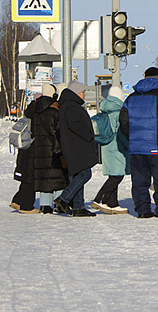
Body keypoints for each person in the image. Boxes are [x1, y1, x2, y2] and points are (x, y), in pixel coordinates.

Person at [120, 67, 158, 219]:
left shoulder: (131, 98)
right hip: (157, 146)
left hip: (136, 148)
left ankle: (143, 210)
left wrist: (132, 137)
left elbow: (123, 122)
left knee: (139, 180)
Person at [54, 81, 97, 217]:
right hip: (77, 147)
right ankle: (63, 199)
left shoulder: (68, 105)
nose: (84, 95)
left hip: (74, 146)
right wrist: (89, 133)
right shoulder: (72, 106)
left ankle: (78, 207)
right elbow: (76, 125)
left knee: (79, 174)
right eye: (83, 92)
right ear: (77, 93)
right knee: (85, 174)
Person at [28, 83, 68, 214]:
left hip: (39, 148)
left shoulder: (36, 111)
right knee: (58, 176)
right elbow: (59, 131)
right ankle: (58, 203)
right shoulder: (55, 111)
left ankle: (45, 205)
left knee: (44, 177)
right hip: (53, 147)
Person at [91, 85, 130, 214]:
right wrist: (129, 146)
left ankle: (112, 203)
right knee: (117, 176)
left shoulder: (106, 110)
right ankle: (100, 199)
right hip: (117, 148)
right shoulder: (118, 112)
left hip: (107, 147)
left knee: (114, 175)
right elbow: (121, 133)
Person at [10, 93, 40, 214]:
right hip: (32, 149)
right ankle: (27, 206)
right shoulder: (37, 114)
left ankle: (17, 200)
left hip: (24, 149)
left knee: (26, 177)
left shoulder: (28, 113)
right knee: (30, 178)